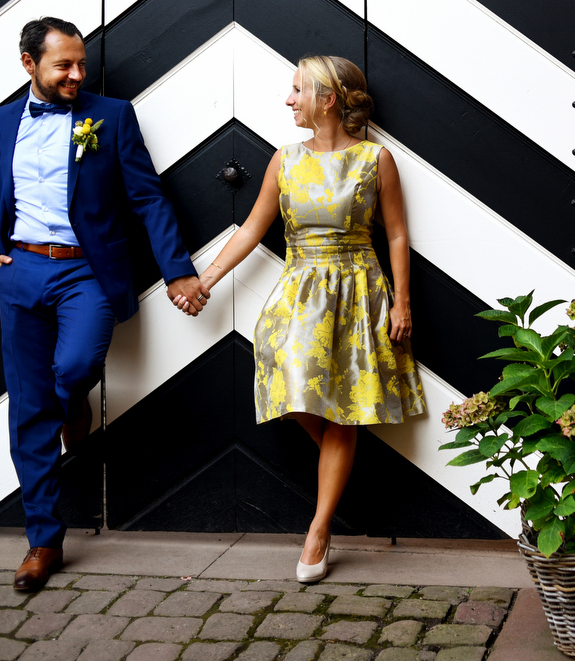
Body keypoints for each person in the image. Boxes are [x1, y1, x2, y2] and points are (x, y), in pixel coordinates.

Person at [0, 17, 210, 591]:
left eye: (80, 64)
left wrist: (178, 272)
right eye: (62, 65)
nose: (76, 74)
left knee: (73, 369)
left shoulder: (111, 116)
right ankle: (43, 542)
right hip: (20, 273)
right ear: (28, 65)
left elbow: (148, 198)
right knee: (28, 411)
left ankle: (72, 406)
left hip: (85, 273)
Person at [173, 55, 425, 581]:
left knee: (342, 412)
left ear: (327, 99)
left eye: (297, 90)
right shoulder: (284, 159)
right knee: (293, 387)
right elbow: (250, 229)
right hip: (299, 293)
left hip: (358, 292)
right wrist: (206, 279)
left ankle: (319, 528)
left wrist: (402, 302)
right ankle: (340, 459)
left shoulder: (376, 160)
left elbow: (397, 234)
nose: (288, 100)